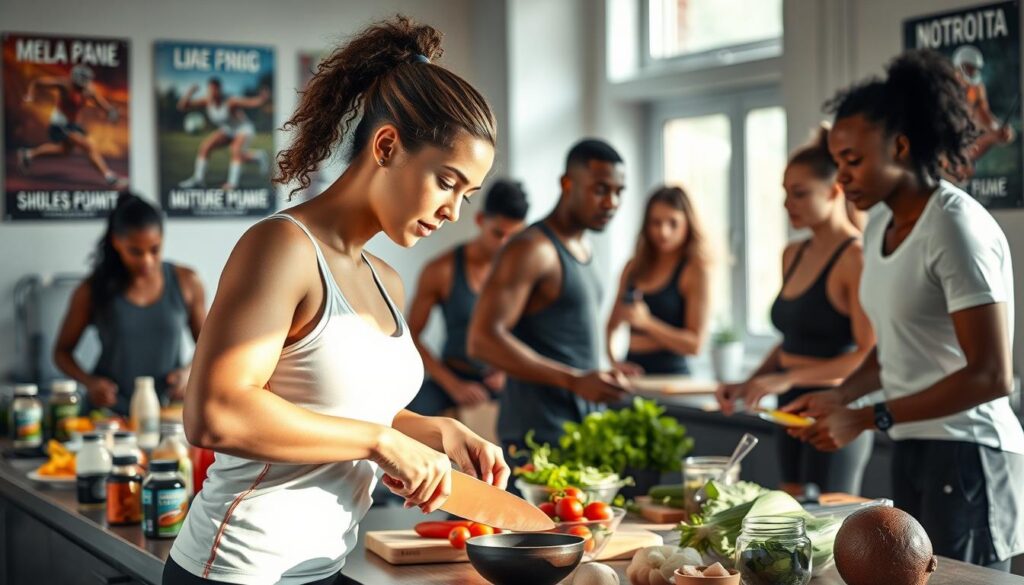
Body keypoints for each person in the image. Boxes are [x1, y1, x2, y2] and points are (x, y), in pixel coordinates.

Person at [164, 16, 508, 585]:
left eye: (466, 195)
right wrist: (380, 442)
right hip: (236, 572)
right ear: (388, 144)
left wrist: (430, 430)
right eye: (447, 181)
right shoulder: (281, 247)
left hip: (323, 568)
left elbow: (332, 403)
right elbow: (215, 412)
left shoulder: (386, 280)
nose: (453, 212)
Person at [783, 49, 1024, 571]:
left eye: (853, 160)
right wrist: (840, 395)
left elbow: (992, 375)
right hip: (914, 442)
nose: (842, 177)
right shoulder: (878, 227)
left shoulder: (955, 227)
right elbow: (893, 346)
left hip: (969, 453)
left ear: (901, 145)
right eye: (838, 162)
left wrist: (868, 416)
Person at [716, 126, 876, 496]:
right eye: (786, 194)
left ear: (835, 191)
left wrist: (786, 378)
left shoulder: (855, 257)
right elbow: (790, 340)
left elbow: (867, 355)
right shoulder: (792, 253)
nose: (789, 204)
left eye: (800, 194)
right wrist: (750, 382)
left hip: (834, 408)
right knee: (787, 518)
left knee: (832, 526)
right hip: (786, 408)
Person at [468, 138, 631, 465]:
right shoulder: (531, 249)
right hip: (536, 436)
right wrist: (573, 379)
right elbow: (482, 341)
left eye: (618, 192)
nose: (611, 202)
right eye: (600, 189)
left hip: (578, 431)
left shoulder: (585, 248)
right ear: (566, 183)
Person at [54, 194, 206, 415]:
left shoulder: (187, 281)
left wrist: (188, 373)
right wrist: (90, 382)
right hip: (109, 414)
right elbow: (61, 352)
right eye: (135, 251)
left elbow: (208, 346)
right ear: (117, 242)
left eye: (155, 249)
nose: (147, 261)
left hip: (168, 414)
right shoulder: (91, 290)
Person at [406, 180, 529, 417]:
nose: (505, 245)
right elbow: (411, 335)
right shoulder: (441, 270)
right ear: (481, 221)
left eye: (513, 237)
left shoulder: (522, 270)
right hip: (454, 376)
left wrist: (508, 371)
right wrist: (453, 385)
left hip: (504, 378)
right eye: (498, 234)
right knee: (409, 414)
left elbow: (531, 329)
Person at [606, 186, 711, 377]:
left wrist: (647, 323)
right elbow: (611, 327)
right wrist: (615, 362)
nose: (663, 232)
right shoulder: (633, 267)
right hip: (633, 380)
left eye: (673, 223)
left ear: (688, 224)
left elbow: (695, 345)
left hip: (673, 381)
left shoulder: (695, 271)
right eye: (656, 222)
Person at [17, 64, 127, 188]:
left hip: (73, 125)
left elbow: (100, 103)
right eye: (81, 82)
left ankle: (28, 154)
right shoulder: (64, 85)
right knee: (88, 146)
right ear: (74, 79)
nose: (83, 85)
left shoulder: (88, 90)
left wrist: (110, 111)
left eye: (86, 81)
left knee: (63, 151)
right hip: (60, 124)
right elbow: (37, 82)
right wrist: (30, 96)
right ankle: (110, 178)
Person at [176, 77, 271, 191]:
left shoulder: (230, 102)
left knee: (235, 150)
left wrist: (263, 98)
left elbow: (251, 103)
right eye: (210, 90)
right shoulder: (207, 101)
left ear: (219, 90)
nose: (212, 93)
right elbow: (182, 106)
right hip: (227, 130)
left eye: (214, 90)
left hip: (243, 129)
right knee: (206, 146)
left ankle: (232, 184)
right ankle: (198, 180)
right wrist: (190, 92)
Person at [951, 45, 1015, 163]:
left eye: (973, 69)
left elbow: (985, 116)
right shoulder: (947, 91)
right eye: (968, 68)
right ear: (958, 68)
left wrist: (1000, 129)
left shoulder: (976, 88)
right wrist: (990, 138)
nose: (971, 72)